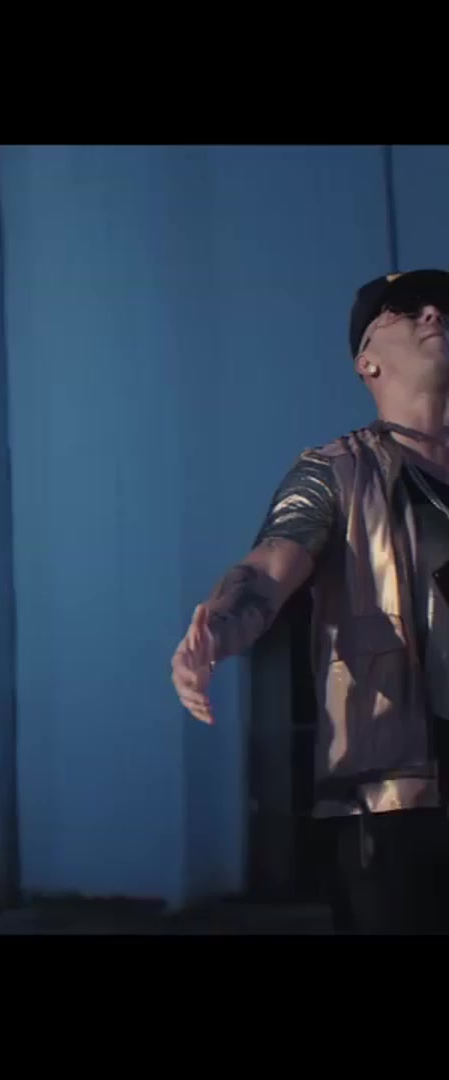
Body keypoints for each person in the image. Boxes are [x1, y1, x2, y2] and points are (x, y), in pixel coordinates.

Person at [171, 269, 449, 934]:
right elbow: (267, 568)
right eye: (405, 308)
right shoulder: (336, 471)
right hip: (394, 803)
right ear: (366, 362)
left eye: (443, 305)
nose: (433, 313)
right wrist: (217, 630)